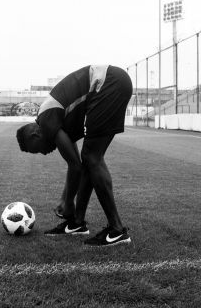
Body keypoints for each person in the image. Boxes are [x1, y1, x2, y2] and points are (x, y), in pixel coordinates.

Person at [16, 64, 133, 247]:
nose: (44, 153)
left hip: (107, 82)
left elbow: (74, 165)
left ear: (35, 135)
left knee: (92, 157)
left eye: (37, 149)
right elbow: (78, 163)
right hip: (112, 83)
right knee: (89, 159)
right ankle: (77, 223)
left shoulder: (46, 121)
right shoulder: (52, 118)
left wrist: (67, 200)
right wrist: (66, 199)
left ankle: (117, 230)